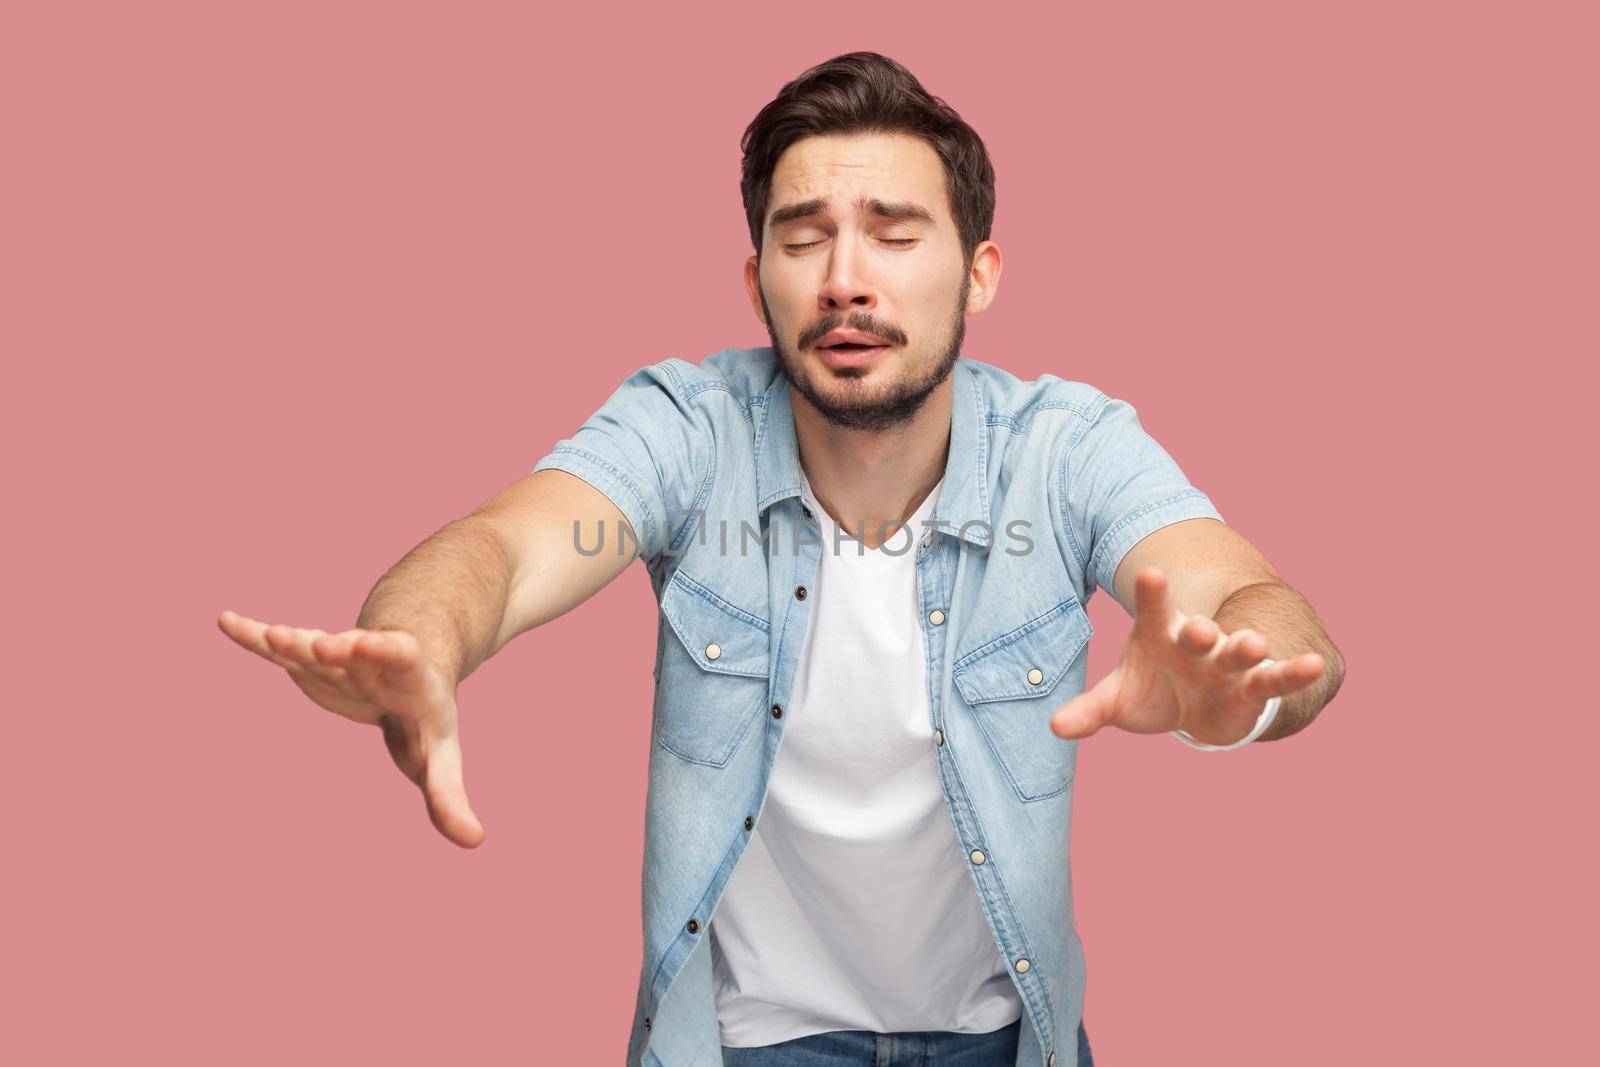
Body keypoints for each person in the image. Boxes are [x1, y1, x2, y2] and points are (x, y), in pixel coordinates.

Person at [219, 51, 1345, 1067]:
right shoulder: (687, 425)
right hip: (747, 1047)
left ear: (981, 272)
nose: (845, 278)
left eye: (895, 235)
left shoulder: (1068, 448)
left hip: (1008, 1042)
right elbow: (505, 547)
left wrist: (1239, 692)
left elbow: (1254, 604)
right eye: (802, 238)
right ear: (755, 276)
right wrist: (424, 636)